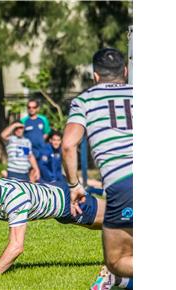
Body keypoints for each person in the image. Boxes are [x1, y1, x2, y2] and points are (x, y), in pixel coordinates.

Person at [62, 48, 133, 290]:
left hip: (124, 181)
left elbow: (68, 145)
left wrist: (74, 185)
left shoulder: (85, 100)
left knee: (117, 260)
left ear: (95, 76)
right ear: (125, 71)